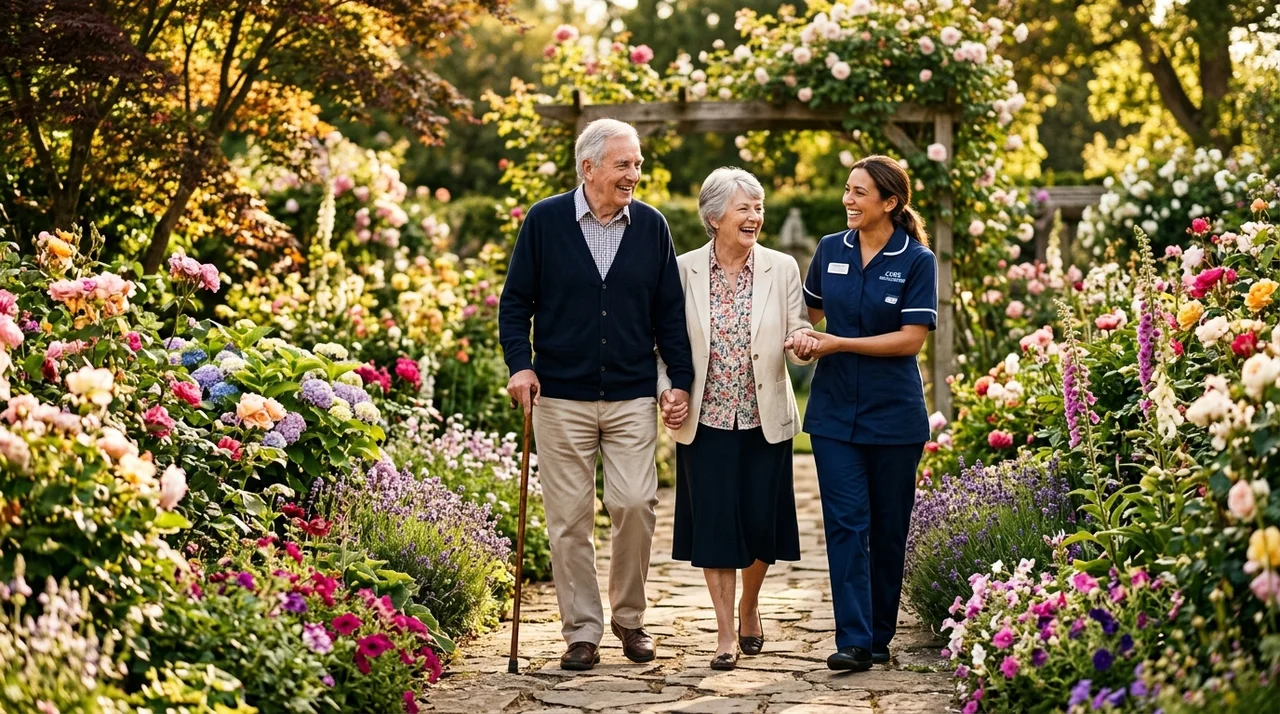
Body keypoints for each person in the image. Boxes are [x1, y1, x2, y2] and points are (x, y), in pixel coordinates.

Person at [499, 118, 695, 671]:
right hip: (560, 396)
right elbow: (515, 304)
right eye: (623, 164)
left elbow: (668, 315)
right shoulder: (545, 221)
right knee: (568, 520)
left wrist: (676, 381)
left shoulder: (652, 226)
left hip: (632, 393)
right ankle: (582, 630)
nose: (635, 174)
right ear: (589, 168)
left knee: (634, 503)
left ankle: (630, 619)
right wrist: (521, 365)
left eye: (637, 164)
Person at [657, 167, 818, 671]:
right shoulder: (681, 270)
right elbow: (662, 345)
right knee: (716, 528)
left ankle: (750, 604)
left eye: (759, 207)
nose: (755, 217)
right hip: (705, 421)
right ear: (713, 217)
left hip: (763, 416)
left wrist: (803, 347)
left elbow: (797, 333)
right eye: (744, 208)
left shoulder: (781, 267)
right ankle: (725, 632)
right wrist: (668, 391)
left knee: (758, 525)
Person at [799, 155, 938, 672]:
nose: (848, 200)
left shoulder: (916, 260)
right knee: (845, 523)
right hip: (833, 415)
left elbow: (909, 340)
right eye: (847, 190)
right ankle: (854, 639)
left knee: (887, 527)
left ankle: (880, 635)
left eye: (859, 193)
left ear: (890, 202)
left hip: (894, 417)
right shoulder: (829, 250)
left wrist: (838, 343)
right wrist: (802, 336)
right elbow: (806, 312)